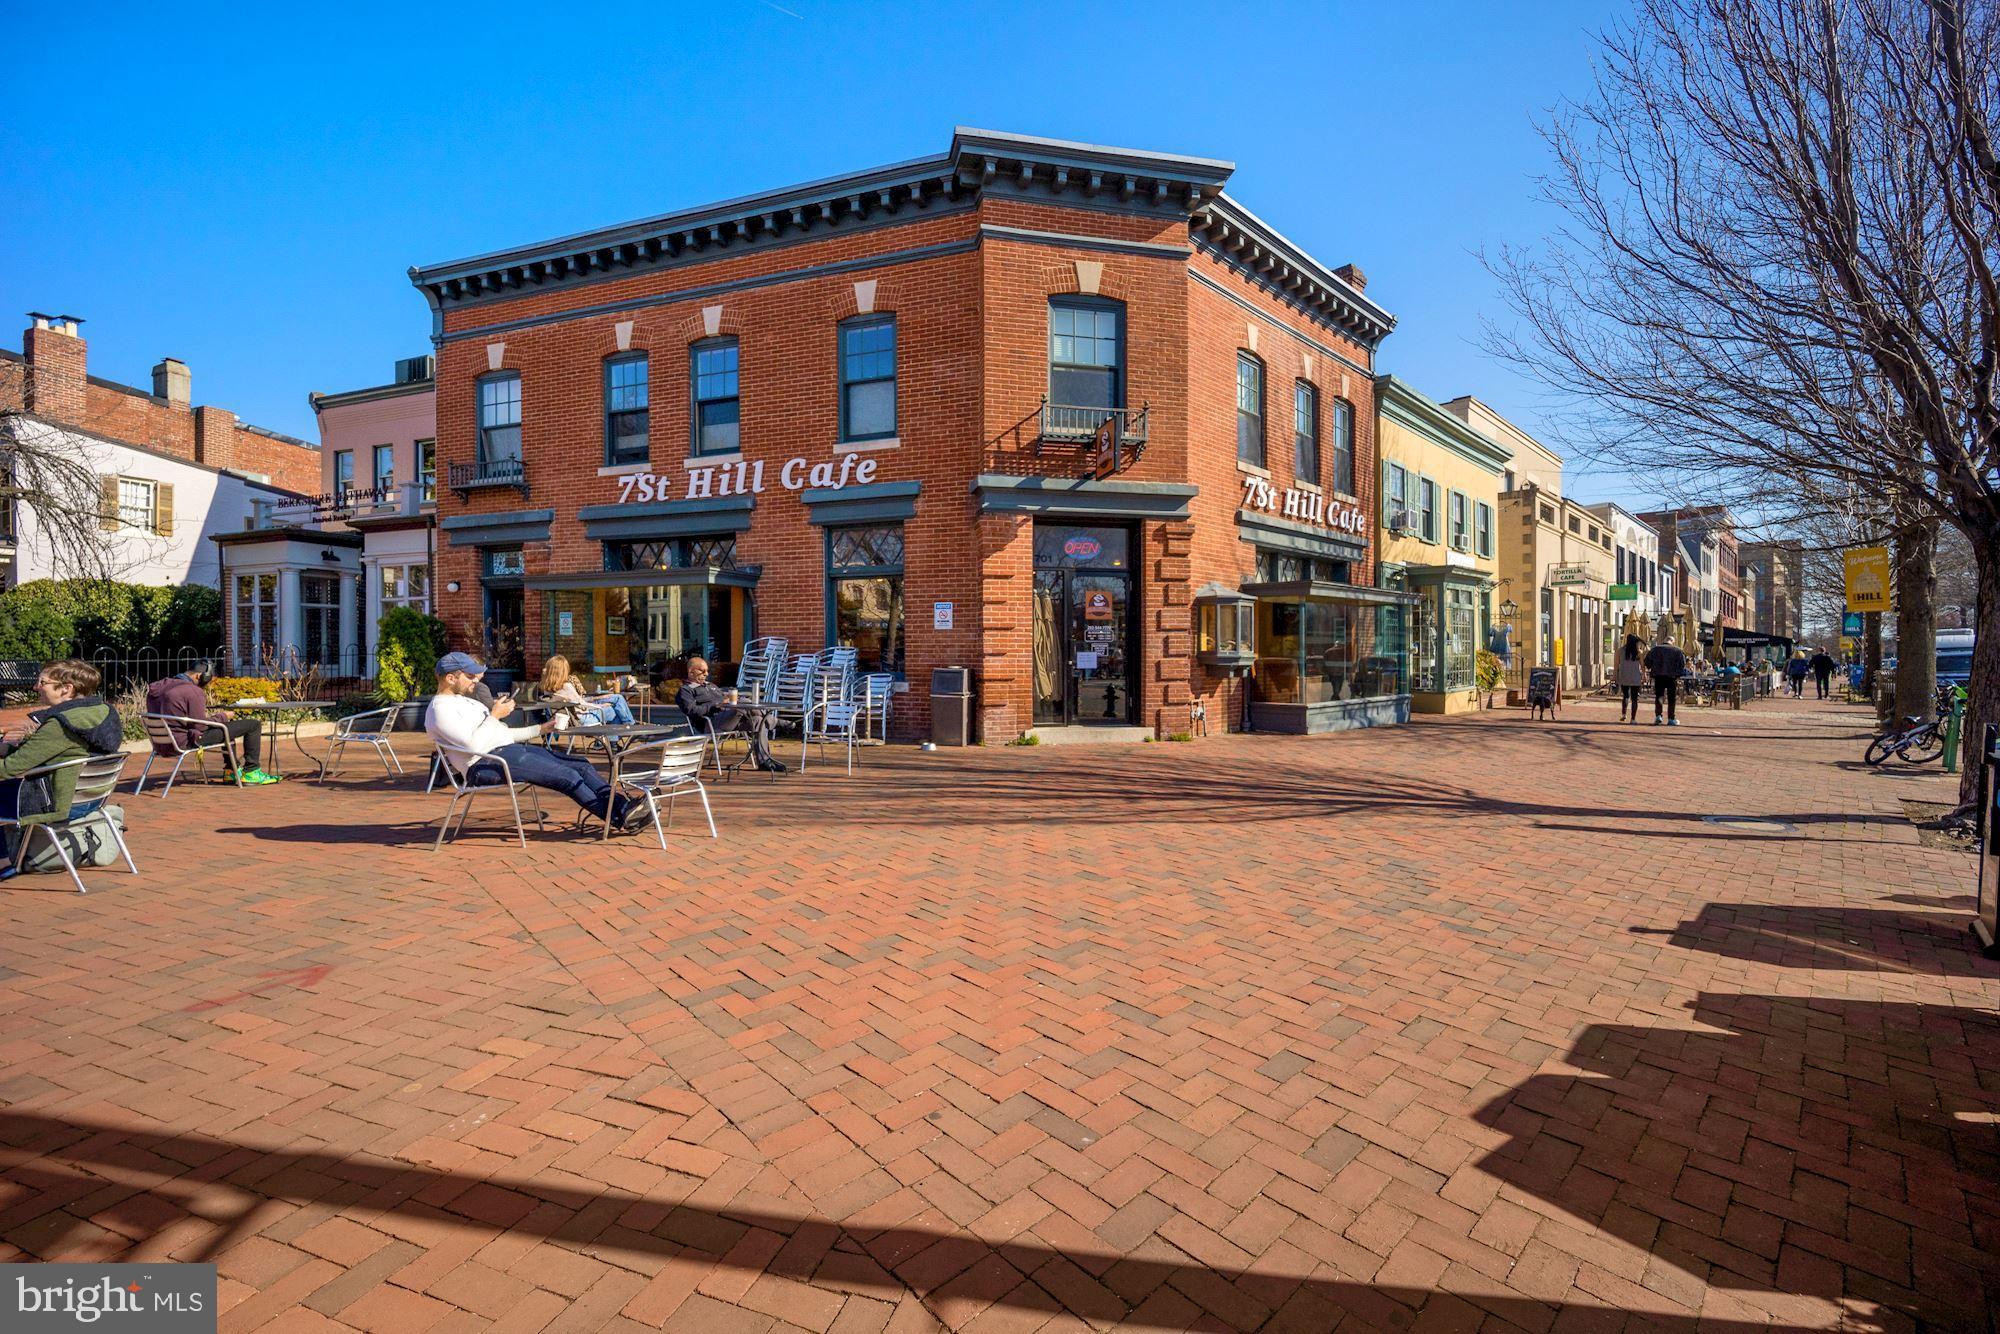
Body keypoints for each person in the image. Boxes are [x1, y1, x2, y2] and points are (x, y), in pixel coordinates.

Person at [425, 652, 644, 831]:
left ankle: (624, 808)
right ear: (450, 678)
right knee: (567, 776)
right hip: (482, 765)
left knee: (582, 765)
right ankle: (619, 819)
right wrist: (494, 716)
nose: (476, 680)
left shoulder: (468, 703)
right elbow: (473, 746)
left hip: (505, 751)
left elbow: (505, 735)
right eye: (470, 676)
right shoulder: (439, 711)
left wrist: (541, 728)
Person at [0, 660, 125, 879]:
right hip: (91, 799)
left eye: (43, 682)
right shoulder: (102, 712)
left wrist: (11, 755)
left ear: (66, 688)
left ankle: (4, 862)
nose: (35, 687)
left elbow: (10, 769)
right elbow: (54, 751)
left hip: (57, 804)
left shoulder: (60, 725)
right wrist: (8, 748)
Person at [146, 660, 280, 784]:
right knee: (253, 725)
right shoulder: (192, 691)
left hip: (161, 744)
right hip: (185, 741)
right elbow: (200, 726)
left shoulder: (158, 688)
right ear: (199, 676)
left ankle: (231, 771)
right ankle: (252, 772)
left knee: (227, 728)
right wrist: (223, 716)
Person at [677, 655, 787, 773]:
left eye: (707, 671)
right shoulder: (685, 691)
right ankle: (775, 721)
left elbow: (726, 699)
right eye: (702, 671)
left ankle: (765, 762)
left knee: (758, 720)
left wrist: (730, 699)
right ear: (691, 672)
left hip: (730, 719)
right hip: (711, 724)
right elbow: (692, 710)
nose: (706, 674)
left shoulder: (711, 686)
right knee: (742, 704)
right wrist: (717, 704)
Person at [537, 655, 635, 727]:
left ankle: (610, 742)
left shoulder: (545, 688)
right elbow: (583, 705)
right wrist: (600, 706)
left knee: (616, 698)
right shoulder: (566, 686)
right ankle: (630, 727)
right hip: (582, 719)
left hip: (570, 717)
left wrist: (597, 698)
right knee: (613, 710)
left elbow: (577, 701)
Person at [1643, 634, 1688, 726]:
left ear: (1664, 640)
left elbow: (1647, 662)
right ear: (1672, 642)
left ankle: (1658, 716)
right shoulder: (1678, 651)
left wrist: (1653, 667)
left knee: (1659, 696)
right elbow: (1682, 665)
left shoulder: (1655, 649)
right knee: (1671, 698)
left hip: (1658, 676)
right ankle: (1671, 718)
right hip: (1672, 677)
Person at [1614, 633, 1646, 723]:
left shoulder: (1620, 651)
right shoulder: (1639, 652)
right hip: (1635, 677)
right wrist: (1644, 675)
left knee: (1625, 696)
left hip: (1624, 676)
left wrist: (1614, 676)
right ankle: (1633, 719)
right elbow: (1643, 666)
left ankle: (1624, 714)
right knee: (1635, 698)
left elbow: (1616, 665)